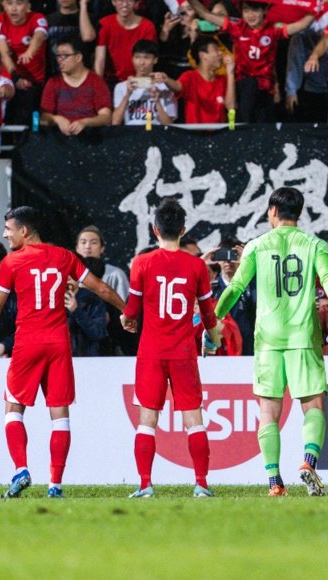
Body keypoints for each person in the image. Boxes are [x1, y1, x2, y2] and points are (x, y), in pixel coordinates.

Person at [0, 206, 124, 498]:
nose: (5, 235)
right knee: (60, 415)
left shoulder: (12, 262)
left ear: (24, 231)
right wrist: (127, 311)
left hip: (28, 343)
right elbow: (102, 290)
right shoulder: (64, 256)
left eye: (8, 229)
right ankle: (55, 485)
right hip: (58, 343)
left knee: (13, 408)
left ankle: (21, 468)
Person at [214, 187, 328, 497]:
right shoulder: (316, 244)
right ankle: (308, 462)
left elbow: (234, 288)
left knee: (268, 412)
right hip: (303, 336)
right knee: (313, 405)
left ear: (273, 211)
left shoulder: (257, 246)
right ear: (298, 212)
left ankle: (274, 482)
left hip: (268, 339)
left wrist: (213, 318)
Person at [121, 198, 219, 498]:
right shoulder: (196, 265)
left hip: (151, 353)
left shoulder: (142, 262)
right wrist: (214, 338)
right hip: (183, 353)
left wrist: (127, 319)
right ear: (183, 229)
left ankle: (145, 484)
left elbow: (132, 310)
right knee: (194, 419)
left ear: (155, 230)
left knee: (147, 421)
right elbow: (208, 313)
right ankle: (201, 484)